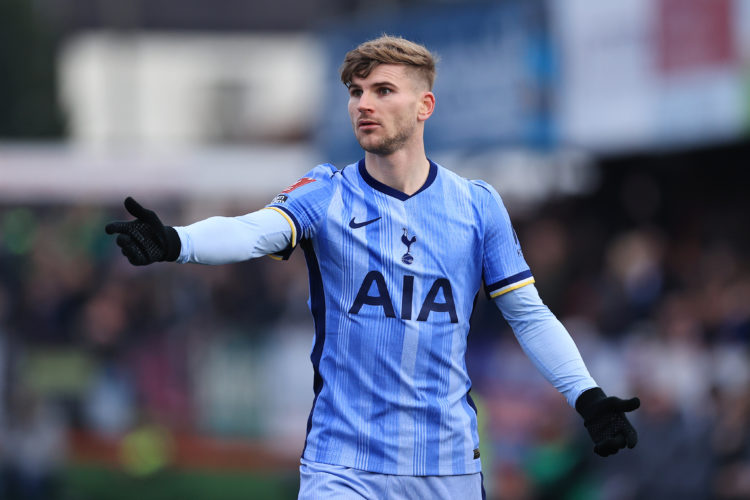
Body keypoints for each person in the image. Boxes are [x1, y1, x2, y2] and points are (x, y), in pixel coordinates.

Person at [105, 35, 639, 499]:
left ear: (424, 104)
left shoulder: (477, 206)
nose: (364, 104)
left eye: (383, 91)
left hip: (446, 466)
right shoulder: (326, 193)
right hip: (343, 464)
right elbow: (253, 231)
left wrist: (587, 398)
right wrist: (177, 241)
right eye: (356, 92)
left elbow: (528, 314)